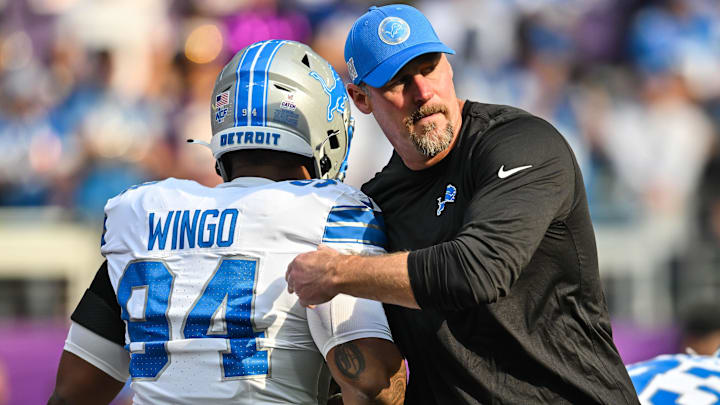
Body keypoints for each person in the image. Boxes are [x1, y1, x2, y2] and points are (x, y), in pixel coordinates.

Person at [285, 5, 639, 404]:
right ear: (361, 99)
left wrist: (338, 272)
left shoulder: (522, 142)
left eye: (430, 67)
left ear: (449, 66)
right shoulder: (376, 204)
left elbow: (480, 270)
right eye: (398, 81)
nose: (423, 92)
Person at [48, 39, 406, 405]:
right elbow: (372, 386)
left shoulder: (141, 212)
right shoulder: (329, 211)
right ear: (326, 130)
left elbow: (72, 394)